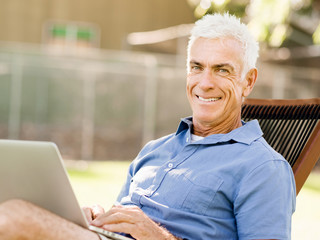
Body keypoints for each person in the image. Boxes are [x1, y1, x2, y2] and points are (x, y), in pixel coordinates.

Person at [0, 13, 296, 240]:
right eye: (196, 67)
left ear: (248, 81)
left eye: (222, 70)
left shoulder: (264, 168)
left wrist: (157, 236)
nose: (205, 83)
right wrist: (98, 219)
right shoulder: (155, 150)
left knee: (13, 218)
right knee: (14, 204)